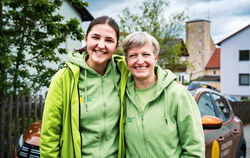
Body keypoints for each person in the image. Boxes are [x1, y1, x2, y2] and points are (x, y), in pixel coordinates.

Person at [40, 16, 129, 158]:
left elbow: (150, 70)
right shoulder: (64, 78)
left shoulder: (125, 72)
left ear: (116, 45)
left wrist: (172, 83)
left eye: (108, 40)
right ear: (86, 38)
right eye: (96, 37)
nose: (101, 45)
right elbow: (50, 134)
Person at [122, 32, 205, 157]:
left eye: (146, 54)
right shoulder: (122, 95)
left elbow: (195, 150)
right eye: (133, 55)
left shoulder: (178, 94)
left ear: (155, 58)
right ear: (126, 61)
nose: (140, 61)